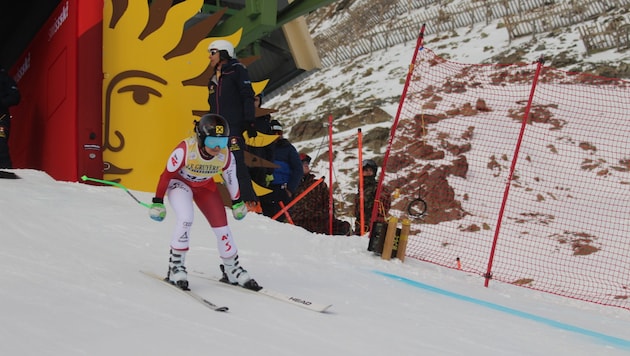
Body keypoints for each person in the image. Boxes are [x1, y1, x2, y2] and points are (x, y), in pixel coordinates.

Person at [149, 114, 261, 291]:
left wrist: (237, 202)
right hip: (180, 184)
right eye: (211, 142)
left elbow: (231, 179)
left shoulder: (225, 155)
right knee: (186, 218)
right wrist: (157, 201)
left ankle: (231, 268)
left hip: (204, 187)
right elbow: (166, 175)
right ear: (201, 139)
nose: (217, 147)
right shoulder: (186, 149)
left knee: (222, 226)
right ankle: (176, 266)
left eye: (222, 142)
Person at [207, 39, 258, 208]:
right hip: (218, 129)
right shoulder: (214, 79)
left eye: (213, 52)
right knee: (219, 163)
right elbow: (213, 106)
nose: (209, 57)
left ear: (223, 52)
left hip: (234, 125)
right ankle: (231, 201)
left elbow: (247, 95)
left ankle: (249, 202)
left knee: (236, 162)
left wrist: (250, 121)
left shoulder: (237, 70)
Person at [291, 153, 351, 235]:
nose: (306, 165)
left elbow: (329, 204)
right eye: (303, 163)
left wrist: (324, 217)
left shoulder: (318, 184)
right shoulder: (291, 186)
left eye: (307, 163)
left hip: (320, 223)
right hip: (299, 225)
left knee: (344, 227)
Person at [260, 120, 303, 220]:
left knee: (280, 220)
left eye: (279, 133)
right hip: (264, 187)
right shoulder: (262, 147)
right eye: (273, 133)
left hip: (281, 189)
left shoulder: (287, 148)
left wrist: (290, 189)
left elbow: (298, 169)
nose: (276, 135)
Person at [353, 159, 391, 235]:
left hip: (373, 226)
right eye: (366, 170)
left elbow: (385, 204)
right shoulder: (361, 189)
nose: (368, 172)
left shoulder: (378, 187)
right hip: (360, 226)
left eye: (370, 170)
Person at [0, 66, 21, 169]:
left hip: (1, 117)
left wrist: (1, 102)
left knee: (0, 141)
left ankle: (5, 170)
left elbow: (15, 97)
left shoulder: (4, 78)